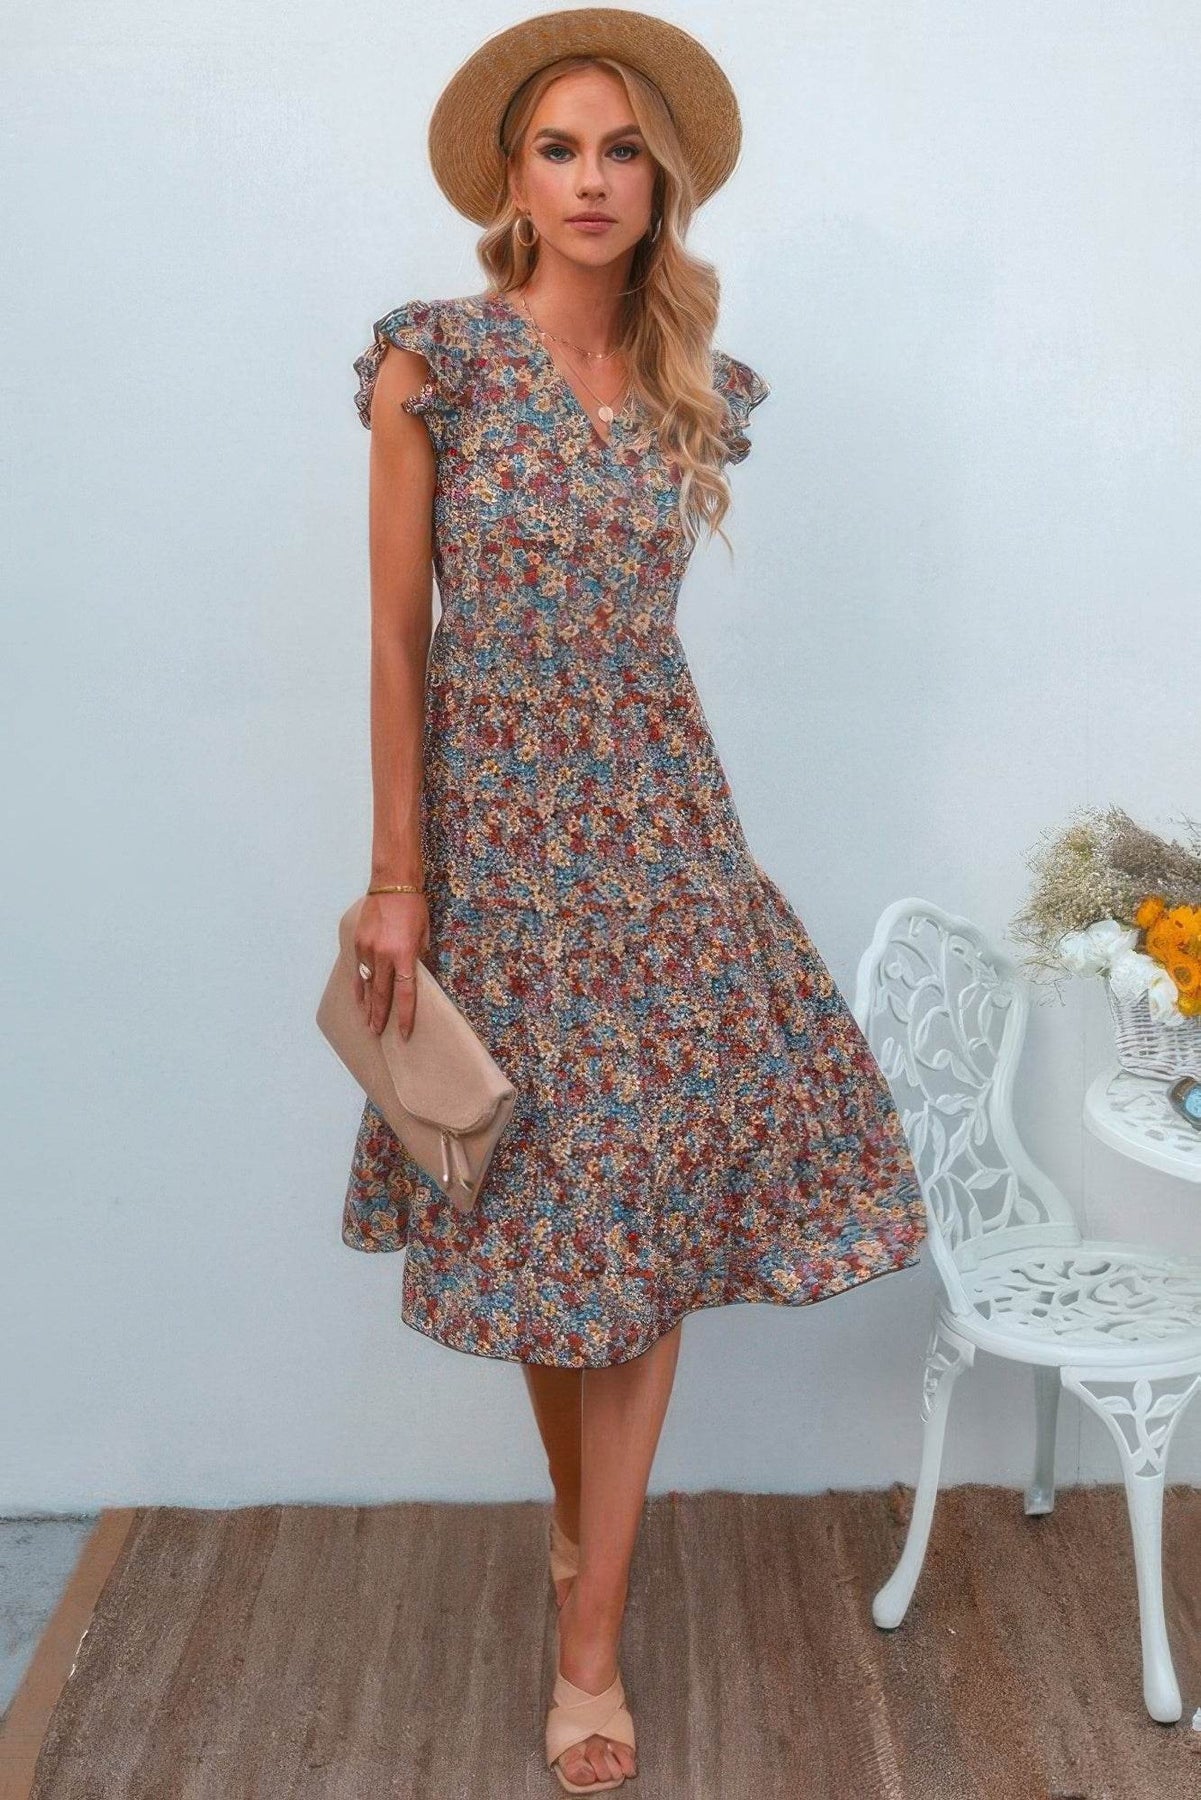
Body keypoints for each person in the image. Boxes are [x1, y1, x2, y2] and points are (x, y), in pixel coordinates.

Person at [337, 9, 928, 1790]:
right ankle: (576, 1529)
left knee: (641, 1226)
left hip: (663, 848)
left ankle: (587, 1643)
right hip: (497, 851)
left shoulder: (697, 385)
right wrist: (396, 876)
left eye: (618, 152)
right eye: (558, 150)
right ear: (510, 183)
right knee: (545, 1219)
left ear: (658, 181)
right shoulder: (433, 360)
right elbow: (397, 639)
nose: (590, 181)